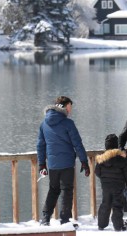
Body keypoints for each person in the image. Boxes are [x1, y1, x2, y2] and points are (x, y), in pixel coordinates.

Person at [37, 96, 90, 227]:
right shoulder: (68, 123)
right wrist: (84, 161)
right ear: (64, 106)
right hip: (67, 163)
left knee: (53, 189)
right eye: (70, 107)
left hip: (53, 164)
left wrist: (42, 164)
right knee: (67, 190)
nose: (70, 110)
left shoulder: (44, 123)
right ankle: (65, 220)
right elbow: (77, 144)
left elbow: (40, 145)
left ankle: (45, 218)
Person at [95, 134, 127, 231]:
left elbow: (97, 172)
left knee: (105, 203)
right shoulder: (121, 159)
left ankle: (101, 225)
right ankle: (118, 226)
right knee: (117, 205)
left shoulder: (101, 159)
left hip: (106, 186)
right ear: (116, 146)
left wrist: (104, 179)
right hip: (118, 186)